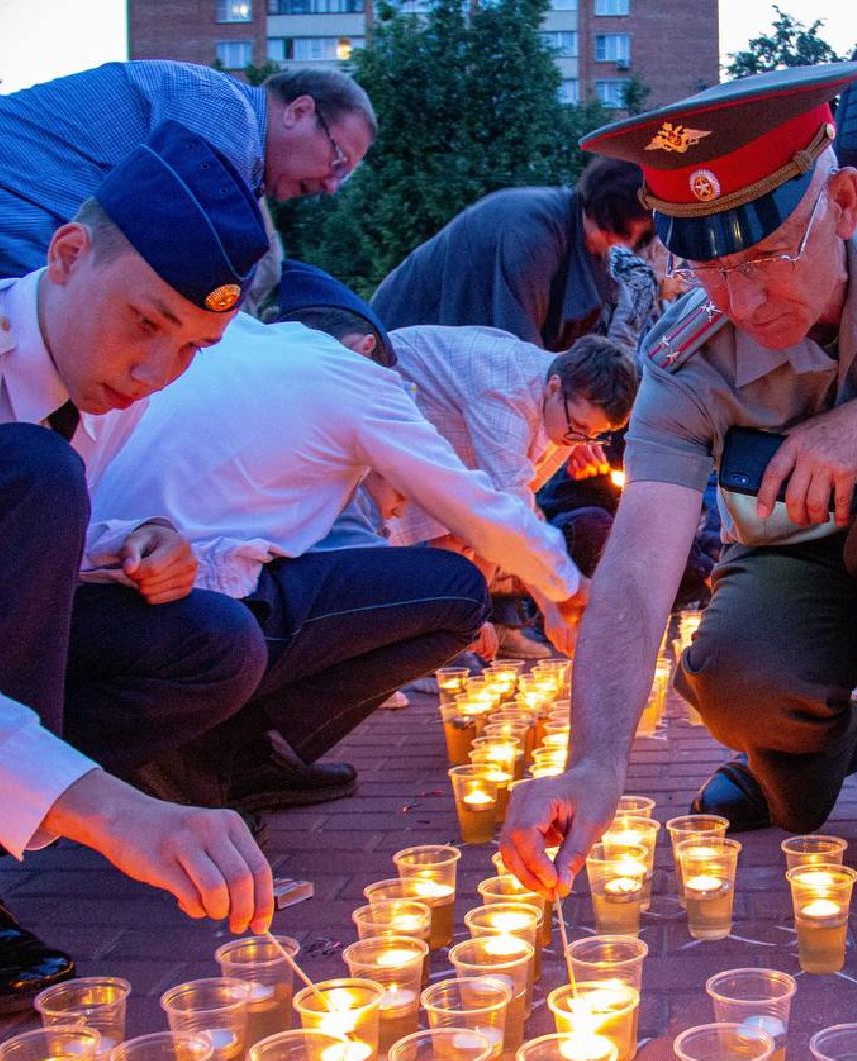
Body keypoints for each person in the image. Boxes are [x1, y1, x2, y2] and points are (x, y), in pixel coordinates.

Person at [498, 64, 857, 901]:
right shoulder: (684, 357)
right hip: (796, 560)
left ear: (842, 203)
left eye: (767, 255)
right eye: (711, 269)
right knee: (734, 683)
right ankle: (813, 751)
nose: (743, 299)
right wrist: (591, 763)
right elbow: (637, 566)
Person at [0, 123, 274, 1017]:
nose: (157, 372)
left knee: (215, 640)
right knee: (34, 474)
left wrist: (134, 540)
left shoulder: (100, 375)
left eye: (192, 349)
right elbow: (11, 493)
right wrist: (113, 814)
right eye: (147, 324)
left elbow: (1, 537)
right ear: (69, 253)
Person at [85, 265, 592, 810]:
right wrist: (567, 585)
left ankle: (240, 751)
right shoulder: (350, 376)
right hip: (193, 613)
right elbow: (478, 509)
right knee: (457, 590)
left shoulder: (227, 342)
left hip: (91, 597)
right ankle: (217, 753)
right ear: (364, 346)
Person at [0, 63, 375, 282]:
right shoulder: (226, 113)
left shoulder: (232, 146)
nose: (332, 187)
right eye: (337, 161)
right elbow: (193, 266)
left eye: (347, 177)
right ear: (299, 111)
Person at [381, 323, 638, 659]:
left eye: (595, 436)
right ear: (554, 387)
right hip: (399, 395)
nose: (581, 443)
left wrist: (547, 608)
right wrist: (562, 595)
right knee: (429, 534)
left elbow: (506, 518)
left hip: (450, 423)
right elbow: (509, 511)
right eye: (579, 429)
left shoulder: (563, 410)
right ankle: (415, 655)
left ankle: (452, 637)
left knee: (468, 533)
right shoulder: (504, 392)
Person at [372, 158, 652, 349]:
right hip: (404, 339)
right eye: (620, 232)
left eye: (634, 239)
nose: (622, 247)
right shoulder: (531, 233)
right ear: (601, 212)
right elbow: (516, 351)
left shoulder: (590, 251)